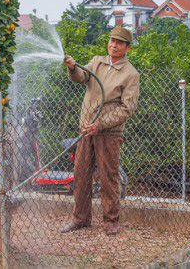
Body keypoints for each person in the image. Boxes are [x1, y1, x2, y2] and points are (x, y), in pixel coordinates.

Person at [59, 27, 140, 236]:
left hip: (109, 133)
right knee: (81, 175)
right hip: (86, 130)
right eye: (112, 40)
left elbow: (127, 108)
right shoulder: (97, 62)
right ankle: (80, 219)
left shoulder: (130, 74)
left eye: (119, 42)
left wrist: (101, 124)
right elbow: (82, 76)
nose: (113, 45)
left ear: (127, 48)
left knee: (108, 177)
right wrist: (72, 67)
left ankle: (111, 221)